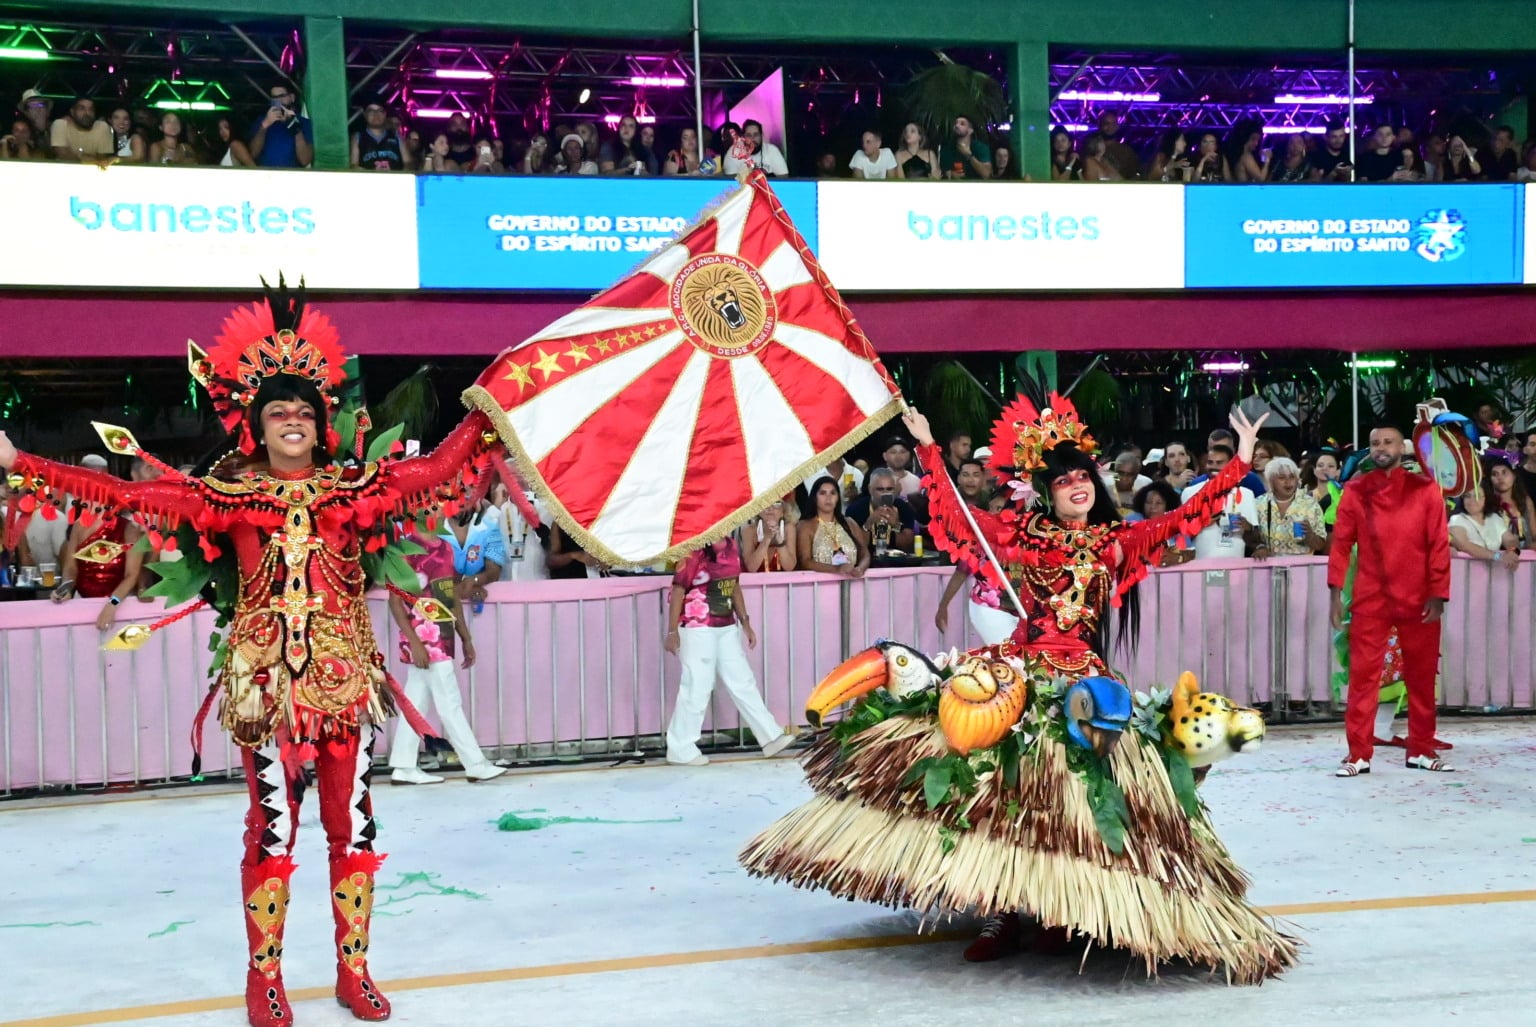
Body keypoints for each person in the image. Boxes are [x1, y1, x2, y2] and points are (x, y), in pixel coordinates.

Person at [0, 282, 503, 1026]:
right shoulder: (227, 497)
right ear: (257, 425)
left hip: (344, 688)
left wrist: (494, 411)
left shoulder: (357, 486)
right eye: (278, 410)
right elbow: (125, 495)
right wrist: (21, 462)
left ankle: (352, 969)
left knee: (355, 827)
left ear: (322, 421)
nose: (293, 420)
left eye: (304, 410)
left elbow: (436, 472)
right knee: (271, 829)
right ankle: (262, 979)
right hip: (264, 691)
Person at [742, 393, 1296, 983]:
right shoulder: (1022, 538)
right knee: (999, 793)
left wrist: (1239, 463)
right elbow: (956, 514)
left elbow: (1187, 515)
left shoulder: (1117, 541)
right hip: (1019, 671)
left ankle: (1061, 908)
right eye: (1063, 481)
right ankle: (1000, 910)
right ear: (1047, 493)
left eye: (1083, 475)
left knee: (1076, 803)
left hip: (1085, 681)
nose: (1077, 485)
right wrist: (929, 448)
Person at [1328, 425, 1453, 777]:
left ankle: (1421, 749)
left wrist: (1439, 593)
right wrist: (1335, 593)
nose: (1381, 448)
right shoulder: (1355, 490)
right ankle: (1358, 754)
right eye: (1375, 443)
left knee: (1422, 676)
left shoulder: (1425, 489)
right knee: (1363, 677)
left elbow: (1438, 544)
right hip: (1371, 595)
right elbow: (1340, 543)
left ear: (1403, 448)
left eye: (1388, 442)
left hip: (1418, 597)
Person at [386, 530, 508, 785]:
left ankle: (404, 766)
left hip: (442, 635)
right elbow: (396, 602)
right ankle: (475, 763)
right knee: (449, 702)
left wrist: (465, 637)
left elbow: (449, 596)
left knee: (416, 704)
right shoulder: (405, 550)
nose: (438, 508)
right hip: (424, 638)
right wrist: (415, 643)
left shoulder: (446, 548)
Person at [662, 537, 796, 766]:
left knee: (743, 680)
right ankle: (680, 746)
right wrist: (672, 631)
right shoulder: (693, 549)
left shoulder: (732, 545)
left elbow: (734, 585)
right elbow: (678, 590)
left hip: (725, 624)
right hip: (697, 625)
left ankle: (770, 736)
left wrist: (745, 621)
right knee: (697, 686)